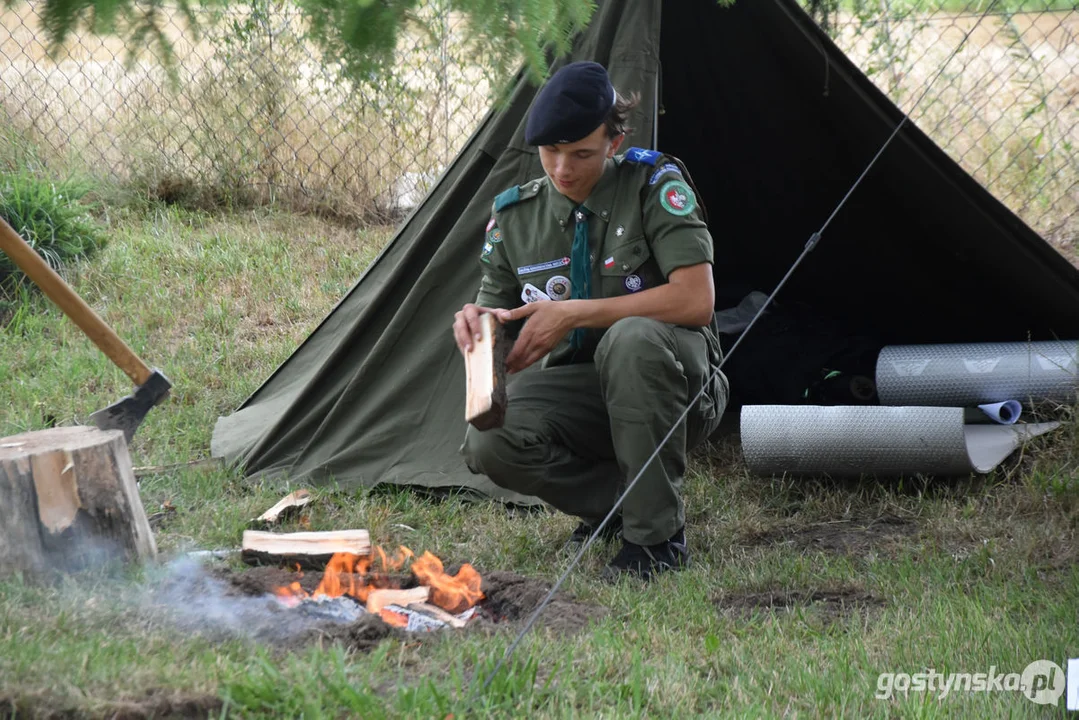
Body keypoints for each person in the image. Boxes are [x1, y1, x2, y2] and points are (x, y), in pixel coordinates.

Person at [452, 61, 728, 581]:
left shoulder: (654, 185)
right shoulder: (514, 217)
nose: (562, 169)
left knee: (632, 339)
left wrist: (576, 312)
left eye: (580, 153)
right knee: (488, 441)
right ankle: (618, 506)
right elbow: (497, 311)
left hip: (678, 384)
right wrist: (476, 325)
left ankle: (657, 540)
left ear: (614, 141)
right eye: (549, 152)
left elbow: (697, 301)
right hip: (588, 393)